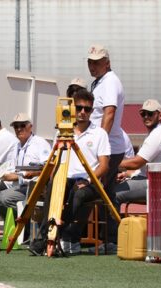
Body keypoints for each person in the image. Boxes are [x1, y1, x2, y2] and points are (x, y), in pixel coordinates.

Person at [32, 89, 111, 256]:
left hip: (91, 181)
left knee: (79, 193)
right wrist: (50, 181)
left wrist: (89, 180)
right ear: (72, 109)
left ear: (91, 111)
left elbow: (104, 166)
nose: (82, 112)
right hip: (66, 178)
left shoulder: (99, 134)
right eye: (79, 108)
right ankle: (47, 234)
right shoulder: (62, 132)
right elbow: (54, 163)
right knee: (53, 187)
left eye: (87, 109)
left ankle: (56, 234)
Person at [87, 44, 126, 246]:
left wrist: (98, 143)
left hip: (108, 146)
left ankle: (107, 237)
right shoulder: (99, 82)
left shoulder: (110, 82)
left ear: (107, 63)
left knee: (96, 189)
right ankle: (110, 238)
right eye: (90, 62)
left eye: (97, 62)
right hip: (108, 145)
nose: (92, 66)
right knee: (106, 193)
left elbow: (109, 113)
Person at [116, 99, 161, 204]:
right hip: (155, 181)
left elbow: (136, 163)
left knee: (113, 193)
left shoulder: (158, 134)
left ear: (160, 115)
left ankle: (113, 221)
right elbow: (143, 169)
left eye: (150, 113)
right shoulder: (157, 133)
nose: (146, 117)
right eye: (143, 114)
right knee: (114, 188)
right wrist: (126, 174)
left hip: (156, 184)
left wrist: (111, 164)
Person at [0, 113, 52, 219]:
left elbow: (47, 167)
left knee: (4, 198)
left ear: (30, 126)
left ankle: (22, 226)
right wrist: (4, 174)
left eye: (22, 125)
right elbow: (13, 169)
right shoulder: (17, 145)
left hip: (36, 187)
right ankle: (19, 227)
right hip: (20, 186)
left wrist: (20, 175)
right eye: (16, 126)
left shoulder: (40, 143)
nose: (19, 129)